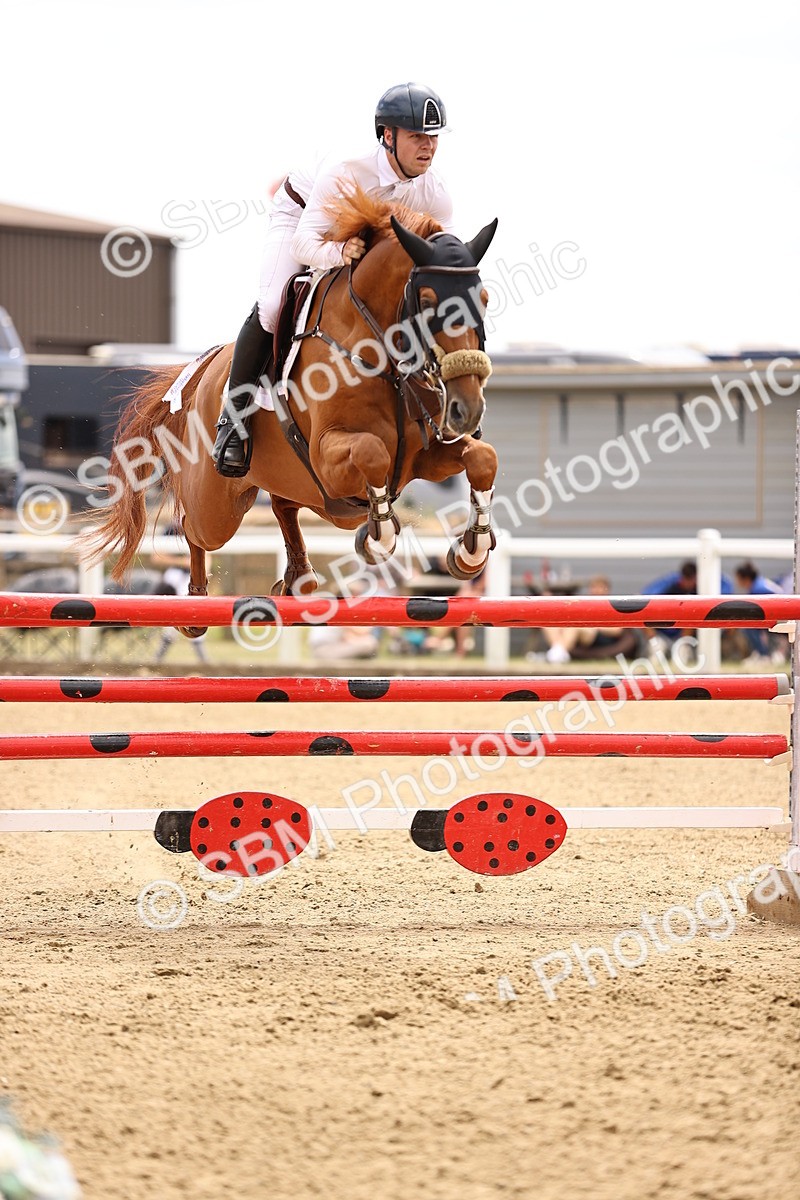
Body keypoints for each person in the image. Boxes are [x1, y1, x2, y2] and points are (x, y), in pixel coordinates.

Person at [213, 82, 453, 477]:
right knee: (273, 305)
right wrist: (339, 254)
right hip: (304, 219)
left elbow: (442, 254)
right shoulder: (348, 170)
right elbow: (306, 244)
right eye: (416, 137)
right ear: (388, 136)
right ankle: (233, 418)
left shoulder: (435, 191)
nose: (427, 146)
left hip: (356, 238)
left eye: (433, 137)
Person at [538, 575, 640, 663]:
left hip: (602, 638)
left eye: (600, 587)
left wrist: (595, 627)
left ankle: (555, 655)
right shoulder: (587, 604)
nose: (597, 590)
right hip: (583, 634)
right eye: (594, 587)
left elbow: (617, 630)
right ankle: (558, 653)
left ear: (607, 589)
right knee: (549, 626)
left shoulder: (612, 605)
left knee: (574, 627)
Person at [150, 523, 209, 665]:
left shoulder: (200, 525)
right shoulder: (170, 529)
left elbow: (208, 560)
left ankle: (160, 656)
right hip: (176, 574)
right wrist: (185, 562)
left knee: (196, 610)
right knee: (175, 607)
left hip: (193, 577)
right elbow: (156, 557)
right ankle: (201, 658)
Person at [733, 560, 787, 665]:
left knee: (748, 626)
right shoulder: (760, 583)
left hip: (781, 617)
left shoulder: (757, 589)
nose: (736, 581)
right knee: (750, 624)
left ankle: (764, 655)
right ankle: (762, 653)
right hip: (781, 615)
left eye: (738, 578)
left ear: (745, 578)